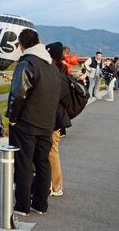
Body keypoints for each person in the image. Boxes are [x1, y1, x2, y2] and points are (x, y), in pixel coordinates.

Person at [6, 29, 61, 216]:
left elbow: (18, 94)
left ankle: (22, 206)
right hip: (47, 124)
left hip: (27, 123)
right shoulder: (52, 67)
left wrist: (13, 119)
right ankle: (40, 204)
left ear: (21, 45)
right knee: (43, 163)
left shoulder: (26, 63)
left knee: (24, 164)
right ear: (38, 41)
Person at [45, 42, 72, 197]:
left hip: (51, 117)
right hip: (57, 117)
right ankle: (53, 184)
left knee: (51, 150)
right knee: (52, 150)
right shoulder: (63, 71)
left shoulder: (55, 73)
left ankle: (55, 185)